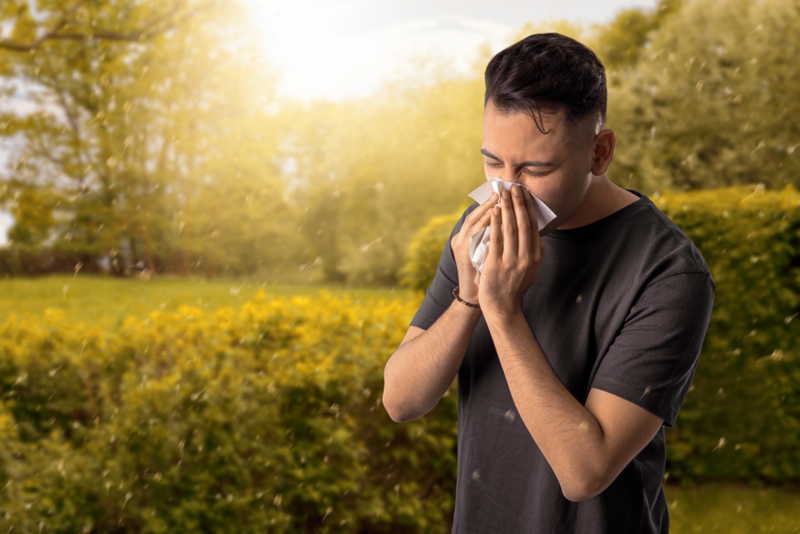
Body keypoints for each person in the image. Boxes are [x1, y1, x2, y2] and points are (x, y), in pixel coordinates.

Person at [382, 33, 715, 534]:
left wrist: (502, 309)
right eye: (493, 162)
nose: (506, 191)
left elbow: (585, 473)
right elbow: (401, 402)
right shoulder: (475, 230)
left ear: (599, 153)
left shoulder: (668, 273)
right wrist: (468, 297)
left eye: (535, 168)